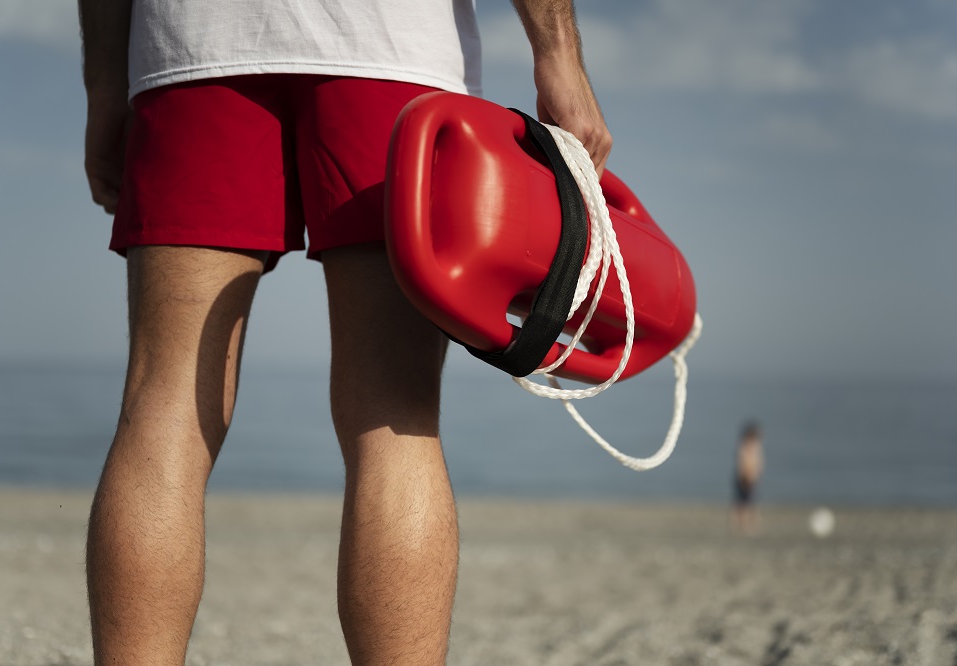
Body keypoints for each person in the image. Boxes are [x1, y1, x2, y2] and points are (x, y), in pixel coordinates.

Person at [78, 0, 612, 663]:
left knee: (164, 409)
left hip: (192, 50)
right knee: (394, 417)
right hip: (392, 49)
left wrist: (105, 85)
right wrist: (559, 55)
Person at [732, 421, 765, 535]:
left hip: (752, 479)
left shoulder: (756, 446)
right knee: (742, 503)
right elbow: (742, 463)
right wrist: (745, 476)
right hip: (743, 478)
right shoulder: (744, 447)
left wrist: (756, 475)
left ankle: (750, 525)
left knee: (750, 502)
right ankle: (739, 525)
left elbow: (759, 463)